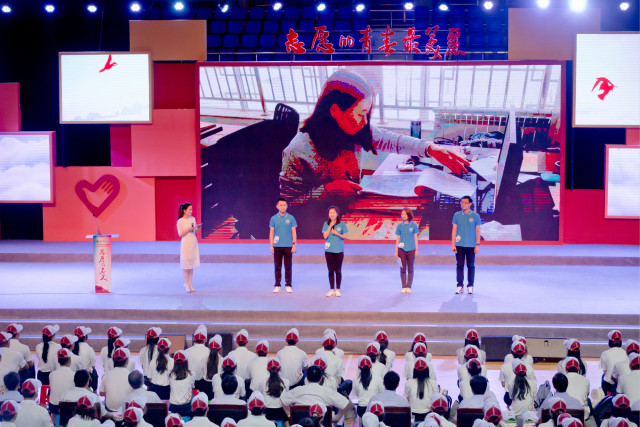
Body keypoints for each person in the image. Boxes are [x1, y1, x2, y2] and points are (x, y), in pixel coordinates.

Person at [279, 69, 470, 238]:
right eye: (360, 114)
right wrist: (328, 190)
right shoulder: (298, 152)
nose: (365, 122)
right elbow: (289, 206)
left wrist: (430, 149)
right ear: (336, 111)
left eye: (367, 114)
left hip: (351, 211)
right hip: (318, 230)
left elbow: (392, 140)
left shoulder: (354, 129)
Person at [280, 366, 355, 424]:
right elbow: (346, 404)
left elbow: (282, 400)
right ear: (321, 378)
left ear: (306, 378)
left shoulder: (297, 390)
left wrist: (290, 415)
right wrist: (338, 417)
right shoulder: (327, 392)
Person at [451, 195, 481, 294]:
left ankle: (470, 285)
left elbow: (478, 231)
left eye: (465, 203)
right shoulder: (457, 215)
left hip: (471, 245)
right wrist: (453, 244)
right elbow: (454, 230)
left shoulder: (475, 216)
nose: (463, 204)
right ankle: (460, 285)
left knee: (470, 266)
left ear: (470, 204)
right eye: (462, 202)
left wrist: (477, 244)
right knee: (459, 265)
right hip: (459, 244)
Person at [269, 198, 297, 293]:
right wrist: (271, 246)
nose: (282, 207)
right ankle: (277, 285)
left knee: (288, 266)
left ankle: (288, 285)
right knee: (277, 266)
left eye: (284, 205)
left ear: (287, 206)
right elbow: (271, 233)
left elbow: (293, 232)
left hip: (288, 246)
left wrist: (294, 245)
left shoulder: (291, 218)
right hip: (277, 246)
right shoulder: (273, 218)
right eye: (280, 205)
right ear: (277, 206)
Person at [322, 206, 348, 297]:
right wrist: (330, 226)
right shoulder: (326, 224)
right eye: (330, 213)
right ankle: (331, 290)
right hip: (329, 250)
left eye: (333, 213)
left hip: (339, 250)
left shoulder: (342, 224)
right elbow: (325, 236)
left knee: (338, 270)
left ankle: (338, 290)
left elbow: (345, 236)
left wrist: (336, 233)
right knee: (330, 270)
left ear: (337, 213)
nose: (332, 214)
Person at [99, 348, 134, 412]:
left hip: (110, 409)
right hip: (126, 410)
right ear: (127, 361)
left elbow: (101, 393)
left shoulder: (106, 375)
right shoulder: (131, 376)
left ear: (113, 361)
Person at [404, 357, 439, 421]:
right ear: (427, 370)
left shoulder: (409, 382)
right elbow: (435, 400)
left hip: (412, 415)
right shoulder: (433, 383)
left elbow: (408, 399)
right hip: (428, 415)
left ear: (414, 371)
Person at [256, 357, 289, 423]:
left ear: (267, 369)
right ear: (280, 369)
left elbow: (260, 396)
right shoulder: (286, 382)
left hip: (267, 413)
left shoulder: (262, 382)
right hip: (281, 412)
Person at [177, 202, 201, 293]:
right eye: (189, 209)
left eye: (191, 209)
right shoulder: (180, 221)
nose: (191, 211)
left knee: (191, 265)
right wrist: (188, 229)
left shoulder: (193, 218)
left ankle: (190, 283)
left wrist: (197, 228)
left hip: (193, 242)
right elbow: (180, 234)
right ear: (184, 211)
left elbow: (194, 231)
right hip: (186, 244)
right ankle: (186, 284)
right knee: (186, 265)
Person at [395, 207, 419, 294]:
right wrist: (396, 251)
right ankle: (403, 286)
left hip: (411, 249)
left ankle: (409, 286)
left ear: (409, 215)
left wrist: (416, 249)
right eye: (402, 214)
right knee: (402, 268)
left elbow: (415, 238)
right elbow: (397, 239)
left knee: (410, 268)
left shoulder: (414, 225)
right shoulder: (399, 226)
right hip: (401, 250)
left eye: (405, 214)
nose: (403, 215)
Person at [600, 330, 627, 395]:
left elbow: (605, 371)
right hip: (623, 383)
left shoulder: (604, 354)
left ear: (610, 341)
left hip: (611, 384)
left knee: (603, 376)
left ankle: (607, 393)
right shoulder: (625, 353)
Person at [169, 351, 195, 417]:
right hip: (186, 407)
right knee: (193, 395)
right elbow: (192, 386)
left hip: (173, 407)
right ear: (186, 362)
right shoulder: (191, 374)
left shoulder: (170, 375)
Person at [49, 349, 76, 414]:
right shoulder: (74, 375)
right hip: (69, 407)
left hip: (54, 406)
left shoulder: (52, 375)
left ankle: (55, 419)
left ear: (58, 361)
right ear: (70, 360)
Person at [187, 325, 211, 396]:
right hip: (204, 386)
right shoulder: (209, 352)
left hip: (189, 384)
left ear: (194, 339)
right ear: (205, 339)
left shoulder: (186, 352)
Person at [199, 335, 223, 400]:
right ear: (220, 348)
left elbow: (202, 371)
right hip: (217, 386)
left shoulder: (204, 359)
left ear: (209, 347)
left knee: (206, 403)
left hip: (205, 386)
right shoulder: (222, 360)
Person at [74, 326, 97, 390]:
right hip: (85, 376)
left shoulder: (72, 348)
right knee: (94, 372)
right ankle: (95, 391)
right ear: (86, 337)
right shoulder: (89, 349)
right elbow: (93, 365)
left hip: (74, 375)